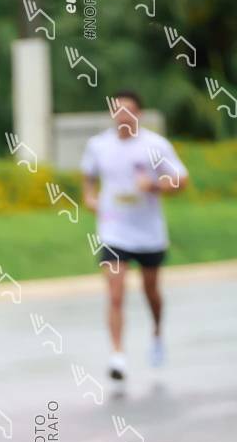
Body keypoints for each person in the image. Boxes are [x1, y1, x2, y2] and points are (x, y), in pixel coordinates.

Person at [81, 91, 189, 381]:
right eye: (118, 110)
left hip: (148, 232)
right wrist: (90, 197)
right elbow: (88, 176)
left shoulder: (155, 145)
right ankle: (117, 356)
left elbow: (181, 180)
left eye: (129, 110)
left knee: (150, 291)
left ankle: (157, 333)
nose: (123, 116)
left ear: (139, 114)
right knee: (115, 293)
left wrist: (154, 186)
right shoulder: (99, 145)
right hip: (114, 231)